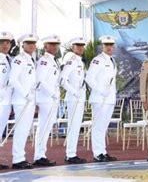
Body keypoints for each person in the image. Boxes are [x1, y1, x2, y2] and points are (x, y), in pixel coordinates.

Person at [85, 35, 118, 162]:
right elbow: (89, 78)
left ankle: (103, 151)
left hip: (109, 99)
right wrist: (100, 90)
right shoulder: (97, 60)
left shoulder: (112, 60)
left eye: (111, 45)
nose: (109, 47)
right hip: (99, 99)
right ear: (102, 46)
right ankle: (97, 153)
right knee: (98, 126)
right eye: (106, 45)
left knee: (103, 127)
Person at [10, 34, 39, 169]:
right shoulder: (19, 59)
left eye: (33, 43)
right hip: (22, 100)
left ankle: (20, 157)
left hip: (29, 100)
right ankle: (17, 159)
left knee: (25, 130)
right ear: (23, 45)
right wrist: (26, 94)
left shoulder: (30, 59)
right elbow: (13, 79)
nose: (32, 45)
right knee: (21, 130)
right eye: (28, 43)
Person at [33, 35, 62, 167]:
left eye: (56, 44)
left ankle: (41, 154)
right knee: (43, 128)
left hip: (51, 98)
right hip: (46, 98)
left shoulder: (53, 60)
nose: (55, 47)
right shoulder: (45, 60)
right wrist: (52, 93)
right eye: (51, 44)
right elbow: (40, 79)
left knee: (46, 128)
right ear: (45, 46)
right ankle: (39, 156)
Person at [61, 36, 87, 164]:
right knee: (73, 125)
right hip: (73, 98)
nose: (80, 48)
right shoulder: (71, 59)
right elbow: (62, 79)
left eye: (82, 46)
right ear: (73, 47)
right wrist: (74, 92)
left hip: (79, 98)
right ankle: (70, 154)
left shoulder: (79, 61)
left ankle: (72, 153)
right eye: (78, 46)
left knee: (76, 126)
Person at [0, 31, 13, 169]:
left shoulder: (9, 59)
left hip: (6, 101)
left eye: (7, 42)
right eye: (2, 42)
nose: (5, 45)